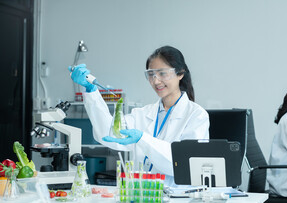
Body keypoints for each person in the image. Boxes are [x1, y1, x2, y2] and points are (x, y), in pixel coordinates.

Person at [69, 46, 209, 186]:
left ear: (180, 73)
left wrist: (143, 139)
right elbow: (108, 133)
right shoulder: (141, 114)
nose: (156, 81)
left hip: (178, 200)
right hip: (141, 197)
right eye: (151, 74)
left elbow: (182, 164)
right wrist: (91, 91)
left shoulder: (196, 116)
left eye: (162, 74)